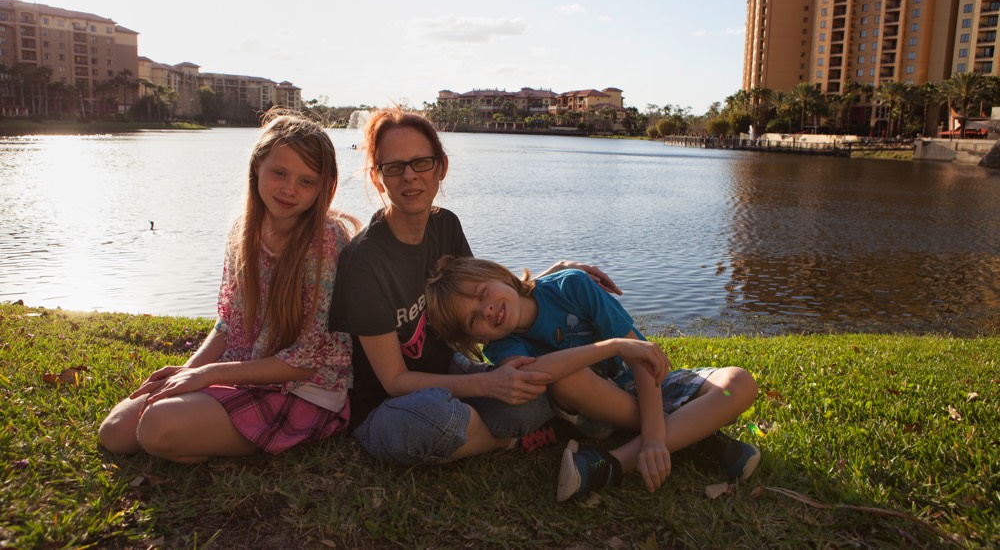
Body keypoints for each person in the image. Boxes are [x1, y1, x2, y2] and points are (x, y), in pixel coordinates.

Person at [327, 106, 653, 466]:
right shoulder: (365, 262)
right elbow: (394, 380)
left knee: (530, 386)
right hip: (389, 405)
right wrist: (485, 385)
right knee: (434, 418)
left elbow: (481, 300)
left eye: (421, 162)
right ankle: (507, 441)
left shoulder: (445, 225)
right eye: (394, 167)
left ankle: (504, 429)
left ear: (441, 167)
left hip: (447, 371)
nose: (410, 177)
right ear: (377, 178)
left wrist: (550, 275)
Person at [98, 110, 360, 463]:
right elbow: (227, 325)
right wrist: (188, 373)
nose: (289, 189)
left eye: (306, 181)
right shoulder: (244, 231)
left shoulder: (326, 241)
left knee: (157, 428)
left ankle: (216, 435)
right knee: (115, 432)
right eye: (279, 173)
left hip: (306, 391)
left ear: (323, 187)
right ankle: (205, 431)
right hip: (247, 372)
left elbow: (309, 360)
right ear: (257, 169)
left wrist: (211, 374)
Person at [425, 255, 761, 502]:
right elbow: (536, 375)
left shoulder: (571, 285)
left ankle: (612, 464)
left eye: (483, 293)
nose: (486, 310)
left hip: (648, 385)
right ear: (473, 337)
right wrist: (611, 347)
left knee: (740, 383)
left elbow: (643, 359)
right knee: (564, 378)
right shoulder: (502, 347)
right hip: (599, 413)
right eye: (472, 319)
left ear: (502, 274)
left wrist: (657, 439)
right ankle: (695, 437)